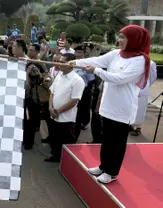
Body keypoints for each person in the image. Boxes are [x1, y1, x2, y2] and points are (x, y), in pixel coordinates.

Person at [71, 25, 151, 184]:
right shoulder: (116, 54)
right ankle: (103, 166)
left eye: (124, 38)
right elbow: (97, 60)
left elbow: (120, 78)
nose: (120, 40)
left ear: (135, 40)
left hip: (123, 108)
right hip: (108, 105)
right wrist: (75, 61)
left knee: (117, 141)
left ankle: (112, 172)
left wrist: (96, 71)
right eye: (120, 36)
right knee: (106, 138)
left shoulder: (140, 60)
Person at [46, 53, 85, 162]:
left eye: (63, 62)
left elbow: (74, 100)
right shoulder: (59, 75)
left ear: (71, 64)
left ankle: (66, 162)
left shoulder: (77, 80)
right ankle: (55, 155)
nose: (59, 64)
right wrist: (50, 107)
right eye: (59, 61)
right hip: (53, 114)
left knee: (65, 140)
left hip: (66, 118)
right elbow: (52, 92)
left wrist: (58, 111)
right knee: (54, 138)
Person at [130, 60, 157, 136]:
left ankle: (138, 128)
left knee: (140, 109)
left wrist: (146, 84)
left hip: (142, 89)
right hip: (132, 88)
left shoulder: (151, 63)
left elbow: (153, 76)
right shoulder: (133, 61)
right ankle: (130, 125)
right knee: (131, 108)